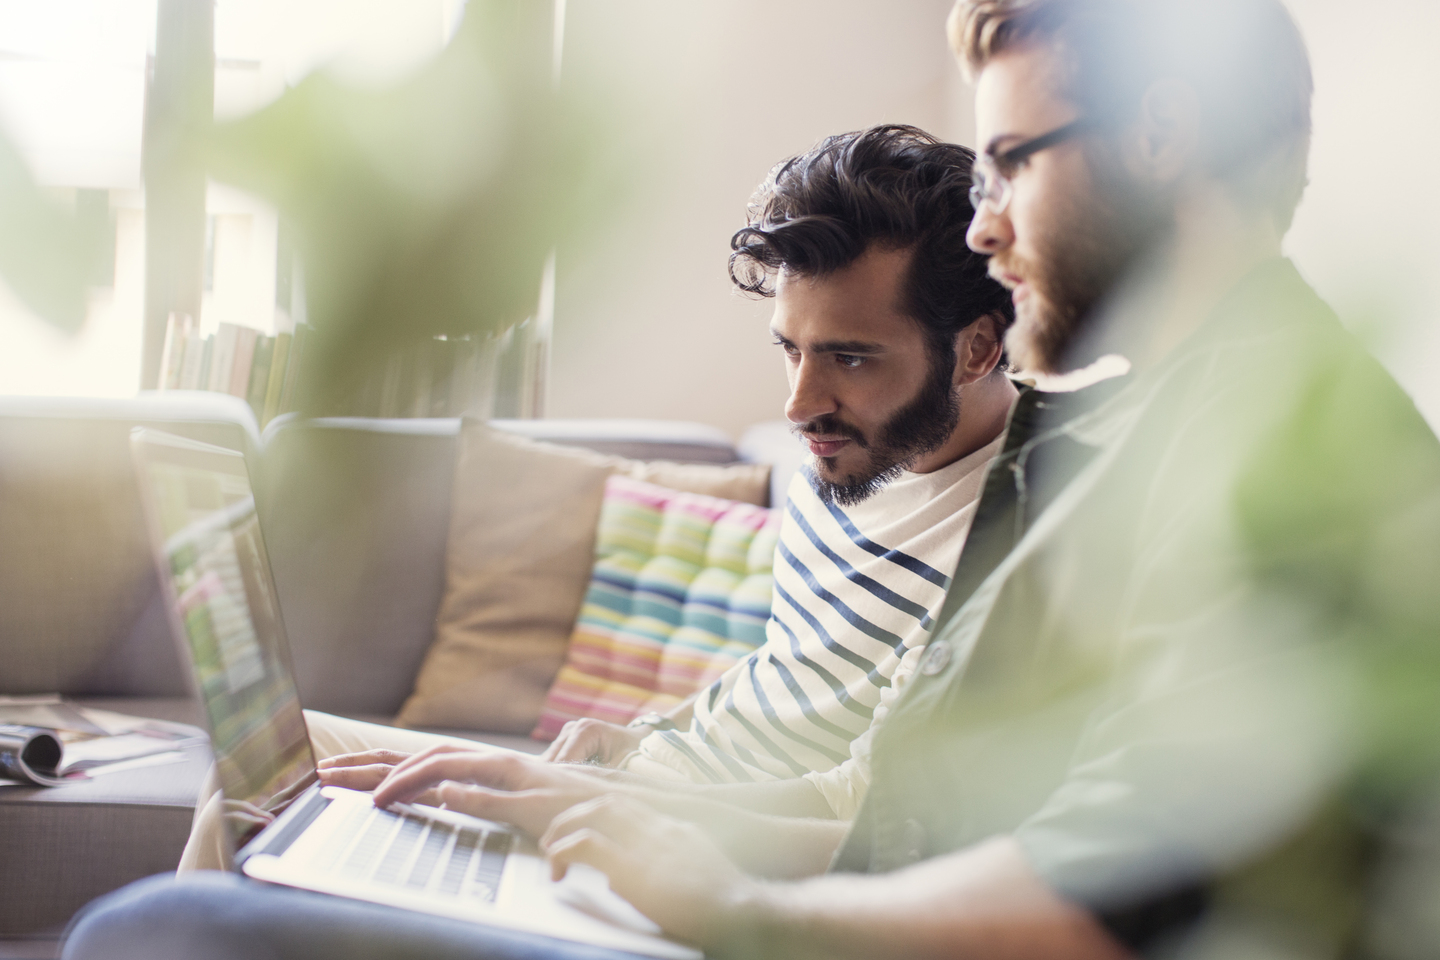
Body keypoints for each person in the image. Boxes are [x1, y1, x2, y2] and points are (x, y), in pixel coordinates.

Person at [65, 1, 1440, 958]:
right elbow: (883, 806)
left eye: (1015, 157)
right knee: (240, 866)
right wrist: (626, 814)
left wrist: (719, 903)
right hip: (786, 905)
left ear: (1160, 135)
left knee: (157, 932)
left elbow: (1091, 914)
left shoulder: (1288, 453)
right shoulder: (1139, 427)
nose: (987, 220)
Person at [175, 123, 1020, 874]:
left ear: (977, 348)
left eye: (851, 357)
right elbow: (791, 670)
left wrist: (587, 802)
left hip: (684, 850)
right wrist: (642, 740)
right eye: (790, 350)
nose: (799, 403)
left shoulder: (1013, 538)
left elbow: (857, 820)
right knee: (273, 766)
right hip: (634, 788)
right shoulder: (854, 450)